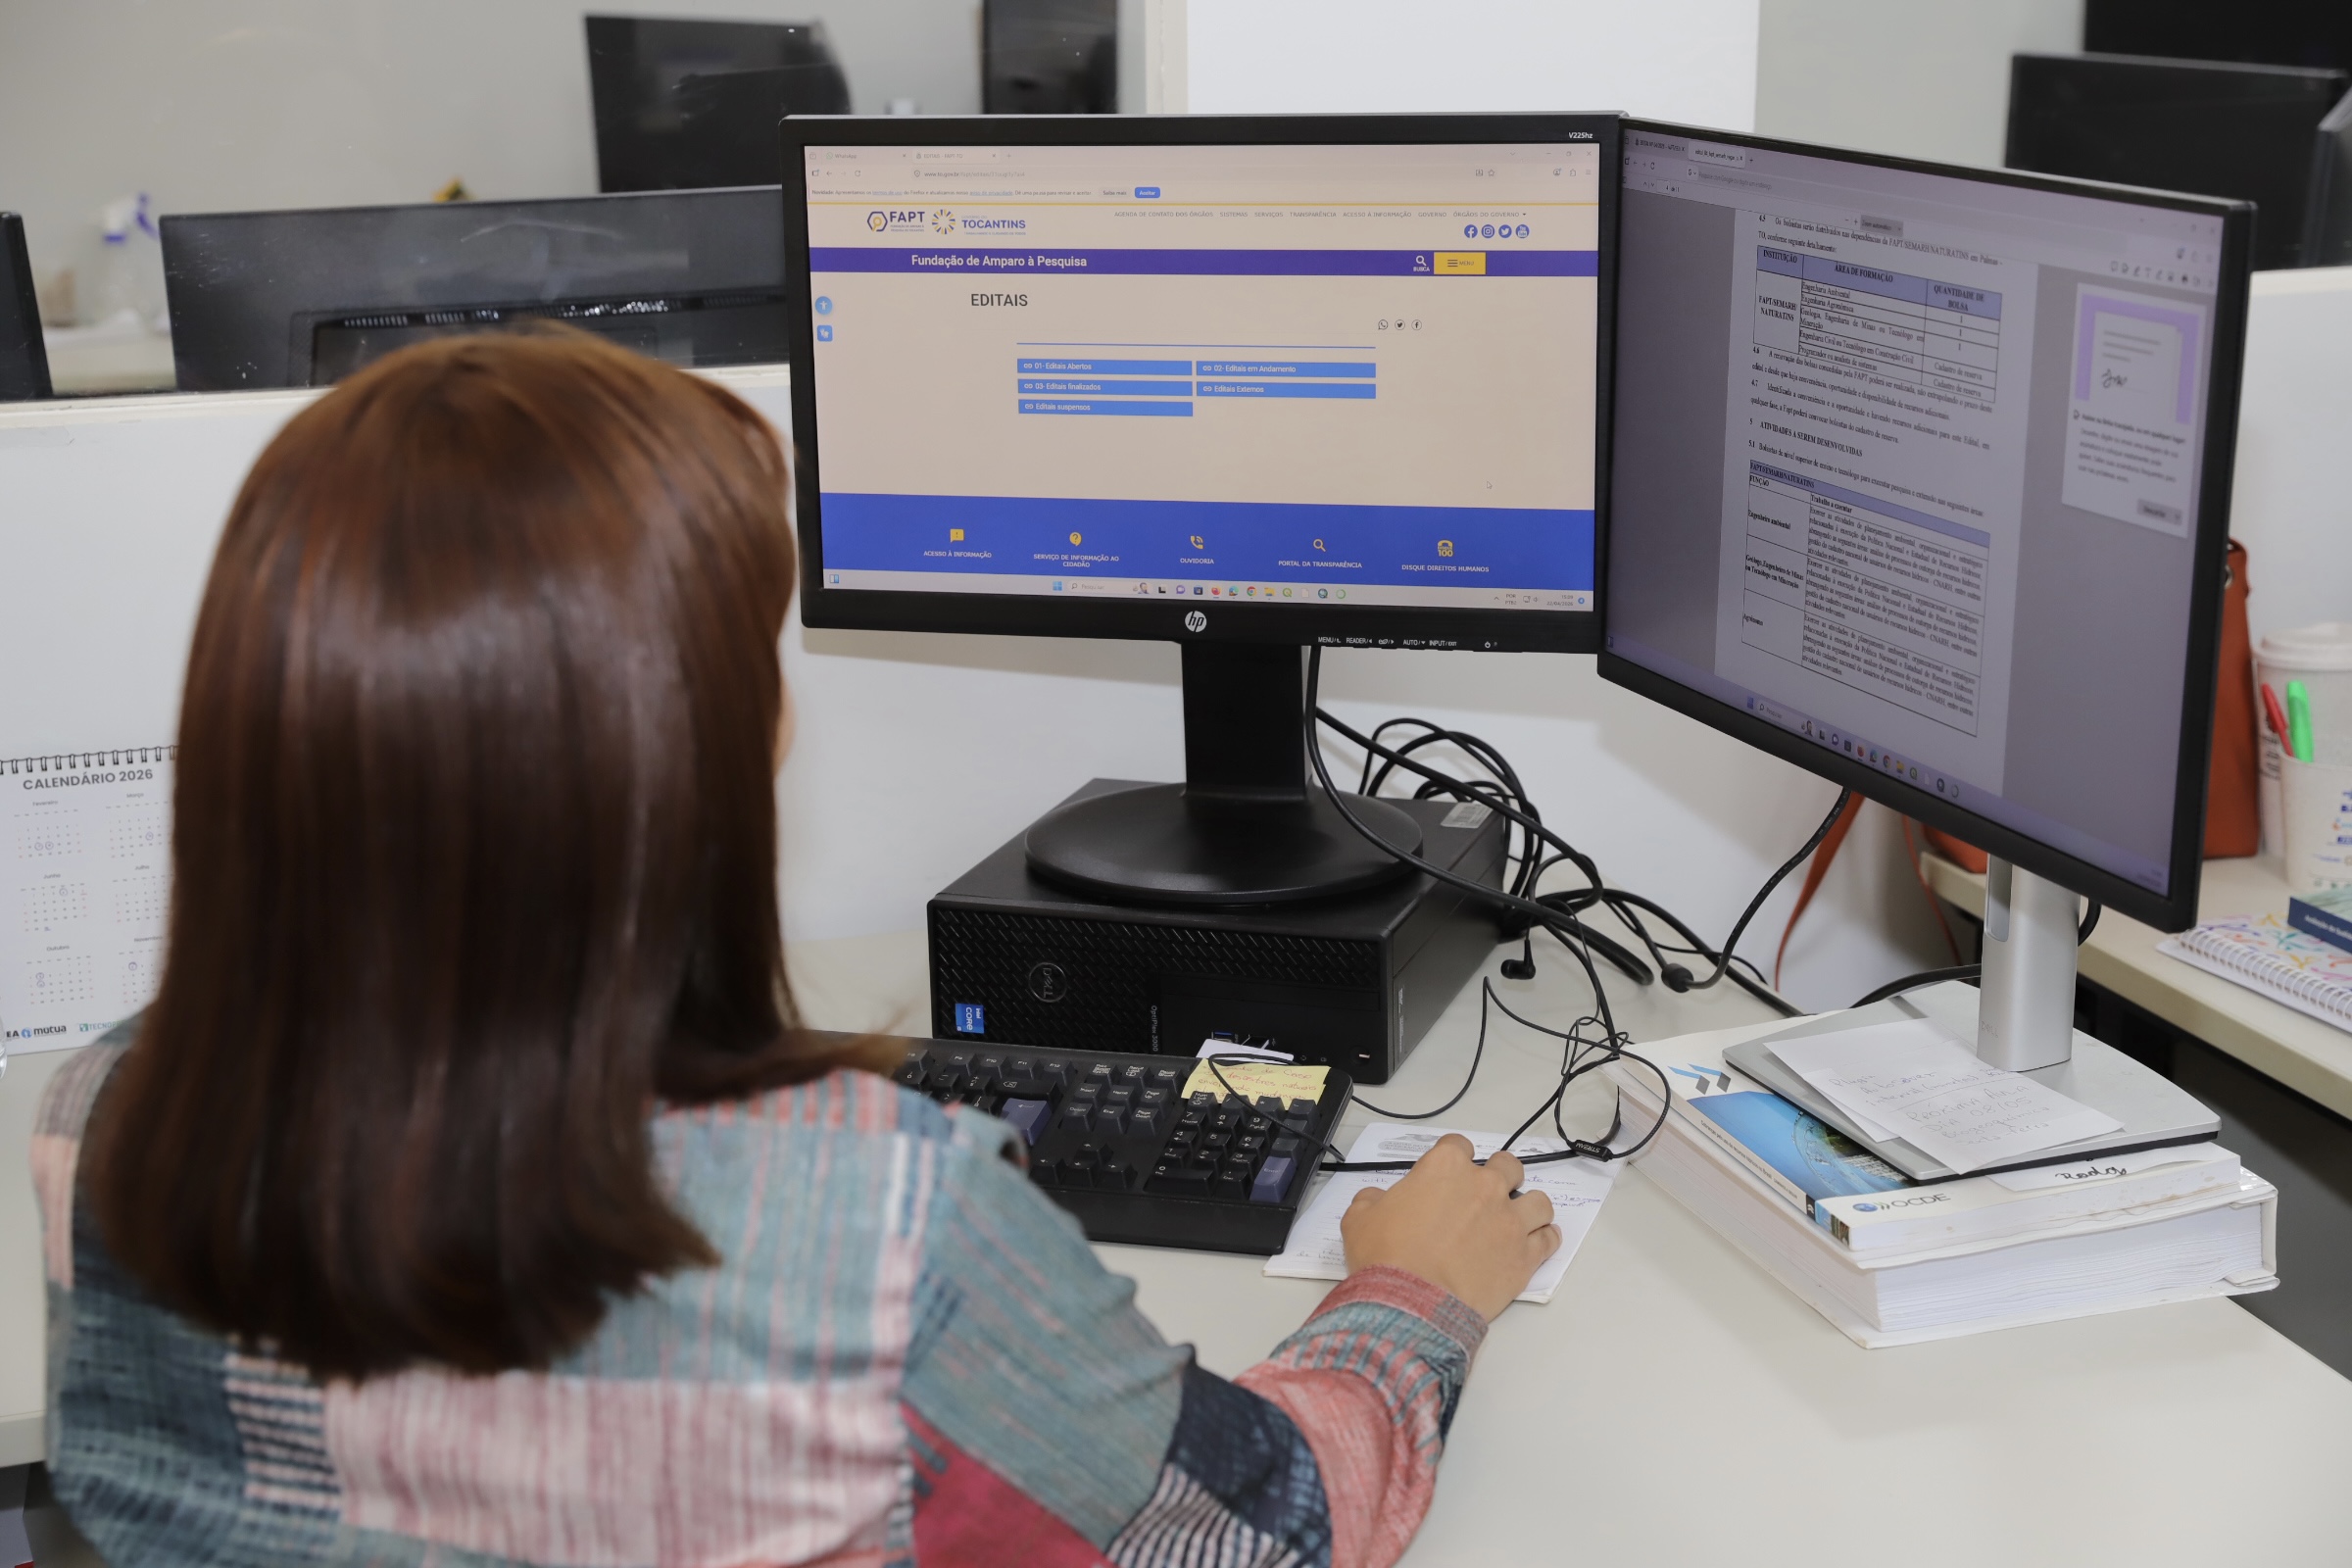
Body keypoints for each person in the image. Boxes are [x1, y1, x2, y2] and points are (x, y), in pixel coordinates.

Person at [32, 331, 1561, 1568]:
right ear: (675, 758)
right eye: (743, 657)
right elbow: (1261, 1529)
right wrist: (1411, 1292)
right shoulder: (880, 1226)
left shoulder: (113, 1115)